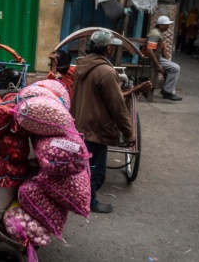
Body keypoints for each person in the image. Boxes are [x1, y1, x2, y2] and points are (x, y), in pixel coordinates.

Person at [70, 30, 134, 214]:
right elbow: (118, 107)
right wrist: (128, 132)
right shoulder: (106, 72)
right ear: (108, 49)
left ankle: (82, 198)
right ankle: (89, 202)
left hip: (82, 123)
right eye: (112, 47)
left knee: (85, 167)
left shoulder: (82, 65)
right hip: (97, 128)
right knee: (96, 171)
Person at [145, 16, 183, 101]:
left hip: (158, 57)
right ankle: (167, 91)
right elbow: (149, 50)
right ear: (160, 25)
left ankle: (168, 90)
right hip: (152, 58)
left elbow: (163, 49)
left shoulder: (159, 33)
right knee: (175, 68)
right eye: (166, 25)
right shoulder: (154, 34)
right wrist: (157, 64)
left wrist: (167, 61)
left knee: (172, 67)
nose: (168, 27)